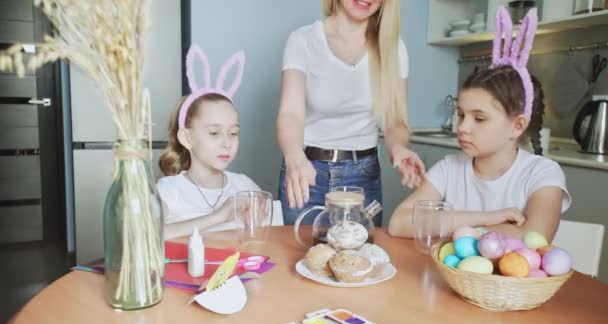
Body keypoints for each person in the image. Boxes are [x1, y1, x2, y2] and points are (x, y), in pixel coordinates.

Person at [388, 8, 570, 242]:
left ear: (517, 126)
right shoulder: (449, 168)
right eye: (461, 115)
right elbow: (399, 223)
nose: (463, 127)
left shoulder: (542, 174)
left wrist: (452, 227)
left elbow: (533, 239)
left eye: (479, 118)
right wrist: (487, 217)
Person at [276, 0, 425, 226]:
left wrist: (398, 147)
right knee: (298, 256)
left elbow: (395, 120)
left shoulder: (393, 48)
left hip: (362, 175)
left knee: (360, 258)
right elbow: (290, 112)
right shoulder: (303, 40)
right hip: (306, 170)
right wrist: (293, 155)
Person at [157, 45, 260, 240]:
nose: (226, 143)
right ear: (186, 138)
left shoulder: (245, 186)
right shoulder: (168, 190)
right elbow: (148, 237)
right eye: (214, 133)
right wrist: (218, 216)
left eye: (233, 133)